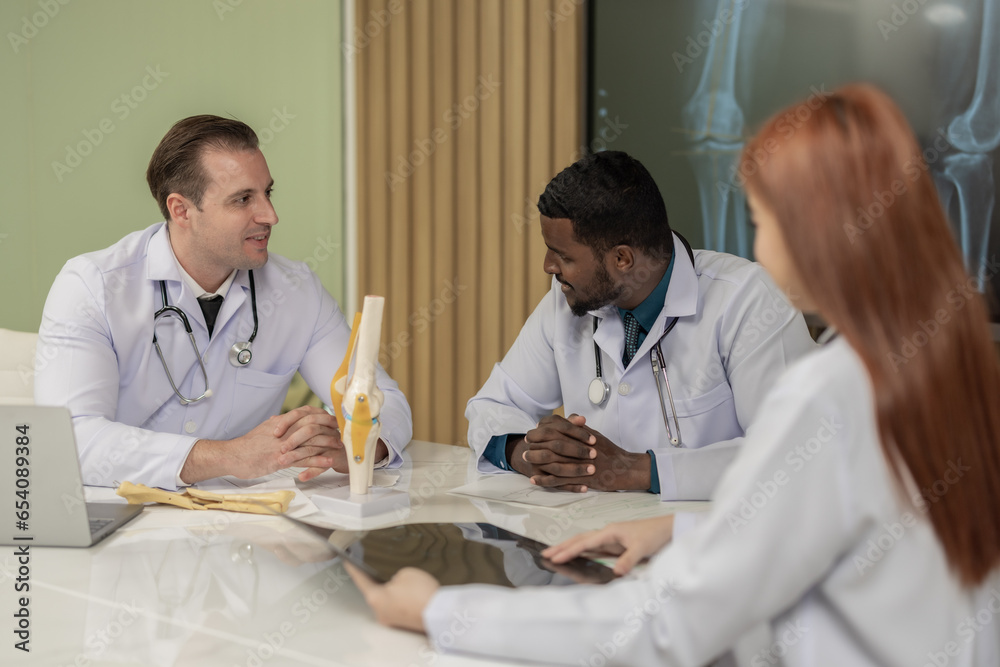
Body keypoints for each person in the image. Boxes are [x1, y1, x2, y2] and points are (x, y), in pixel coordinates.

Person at [348, 85, 1000, 665]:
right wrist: (675, 528)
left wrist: (438, 610)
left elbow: (669, 624)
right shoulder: (940, 359)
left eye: (761, 221)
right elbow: (831, 521)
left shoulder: (826, 386)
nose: (759, 243)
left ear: (813, 235)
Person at [35, 115, 412, 490]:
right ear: (181, 210)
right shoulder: (92, 287)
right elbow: (70, 441)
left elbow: (383, 399)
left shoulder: (296, 291)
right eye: (243, 199)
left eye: (268, 193)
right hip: (124, 519)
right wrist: (228, 456)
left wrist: (359, 444)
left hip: (245, 527)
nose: (270, 215)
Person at [466, 150, 815, 499]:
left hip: (711, 538)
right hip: (595, 534)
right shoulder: (569, 298)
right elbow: (492, 406)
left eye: (564, 256)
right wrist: (530, 454)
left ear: (622, 259)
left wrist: (638, 470)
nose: (548, 266)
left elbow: (793, 451)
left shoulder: (748, 300)